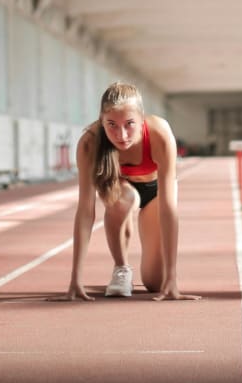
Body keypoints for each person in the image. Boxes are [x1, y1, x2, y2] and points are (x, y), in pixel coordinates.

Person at [57, 82, 200, 302]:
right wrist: (76, 280)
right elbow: (85, 210)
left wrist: (172, 278)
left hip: (156, 194)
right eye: (111, 124)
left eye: (129, 124)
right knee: (126, 197)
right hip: (121, 192)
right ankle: (121, 268)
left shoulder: (159, 134)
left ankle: (160, 273)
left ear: (142, 119)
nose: (121, 134)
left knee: (155, 283)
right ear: (101, 120)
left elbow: (169, 208)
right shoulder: (89, 143)